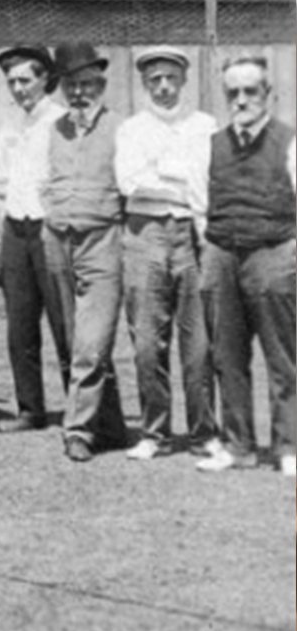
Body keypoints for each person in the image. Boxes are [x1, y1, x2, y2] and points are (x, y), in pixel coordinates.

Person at [114, 46, 218, 461]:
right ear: (144, 83)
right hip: (146, 232)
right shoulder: (132, 129)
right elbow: (131, 182)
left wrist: (163, 173)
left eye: (170, 78)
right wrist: (184, 180)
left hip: (195, 234)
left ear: (184, 80)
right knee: (146, 342)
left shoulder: (204, 126)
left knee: (199, 343)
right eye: (154, 79)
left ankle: (203, 433)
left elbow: (209, 180)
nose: (163, 87)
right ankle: (154, 433)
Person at [196, 57, 294, 477]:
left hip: (272, 254)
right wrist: (213, 249)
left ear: (268, 94)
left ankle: (289, 446)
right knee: (227, 355)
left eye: (250, 91)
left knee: (283, 356)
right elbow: (199, 203)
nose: (241, 100)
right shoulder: (213, 145)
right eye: (232, 92)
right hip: (221, 255)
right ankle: (238, 446)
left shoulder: (289, 141)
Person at [41, 44, 128, 461]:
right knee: (71, 340)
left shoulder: (120, 129)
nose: (78, 93)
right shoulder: (55, 130)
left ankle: (77, 430)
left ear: (101, 85)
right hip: (58, 239)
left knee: (92, 343)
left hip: (102, 240)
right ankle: (109, 426)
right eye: (71, 86)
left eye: (87, 84)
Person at [0, 44, 70, 434]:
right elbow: (2, 180)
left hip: (49, 230)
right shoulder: (9, 125)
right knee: (20, 325)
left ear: (45, 80)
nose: (18, 88)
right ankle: (30, 409)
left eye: (25, 80)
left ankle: (81, 410)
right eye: (12, 82)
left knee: (64, 322)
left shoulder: (61, 121)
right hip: (15, 230)